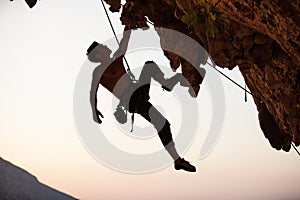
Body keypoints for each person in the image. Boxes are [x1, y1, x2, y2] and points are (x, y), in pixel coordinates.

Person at [86, 26, 196, 172]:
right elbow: (92, 92)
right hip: (132, 100)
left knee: (149, 66)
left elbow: (125, 42)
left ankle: (167, 83)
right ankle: (177, 160)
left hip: (139, 91)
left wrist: (129, 26)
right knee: (162, 124)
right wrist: (94, 111)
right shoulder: (98, 71)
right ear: (98, 54)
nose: (105, 46)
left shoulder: (117, 58)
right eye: (102, 47)